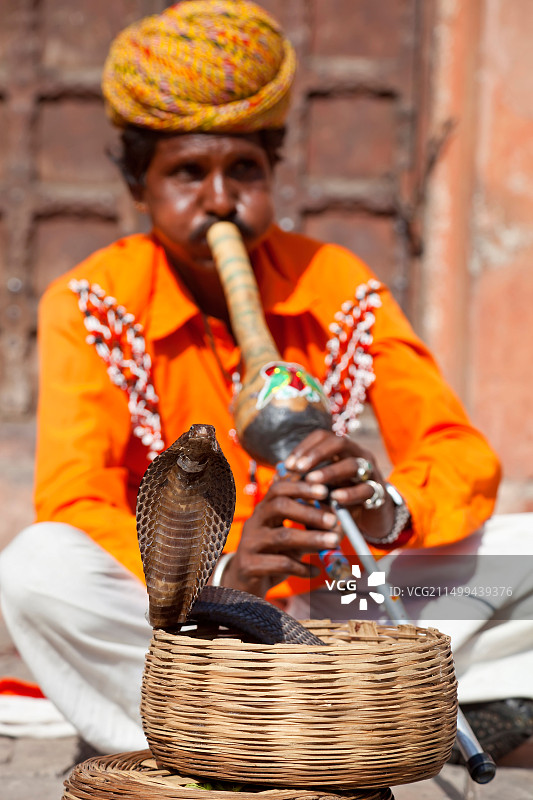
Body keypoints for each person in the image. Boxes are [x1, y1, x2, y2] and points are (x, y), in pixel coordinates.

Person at [0, 0, 532, 761]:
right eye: (188, 172)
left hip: (342, 601)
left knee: (527, 551)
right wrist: (221, 571)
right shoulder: (92, 303)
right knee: (37, 570)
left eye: (243, 170)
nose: (220, 200)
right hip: (199, 620)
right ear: (138, 185)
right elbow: (75, 499)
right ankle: (295, 721)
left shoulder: (335, 281)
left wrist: (384, 507)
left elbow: (458, 452)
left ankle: (301, 715)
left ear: (271, 170)